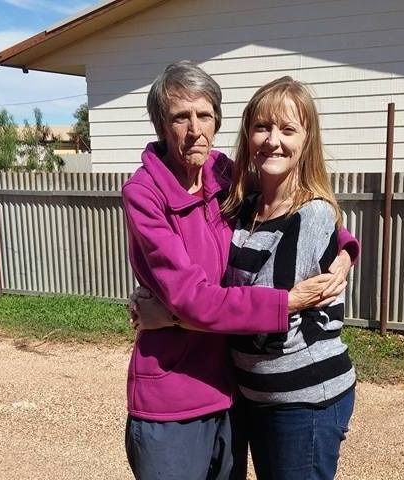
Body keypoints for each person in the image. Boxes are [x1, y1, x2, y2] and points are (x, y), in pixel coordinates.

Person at [121, 61, 359, 480]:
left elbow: (302, 214)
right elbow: (196, 299)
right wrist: (287, 301)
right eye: (180, 117)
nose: (194, 129)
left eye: (205, 115)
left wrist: (344, 249)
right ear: (160, 124)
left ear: (217, 121)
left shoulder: (224, 177)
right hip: (175, 394)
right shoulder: (147, 194)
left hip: (240, 391)